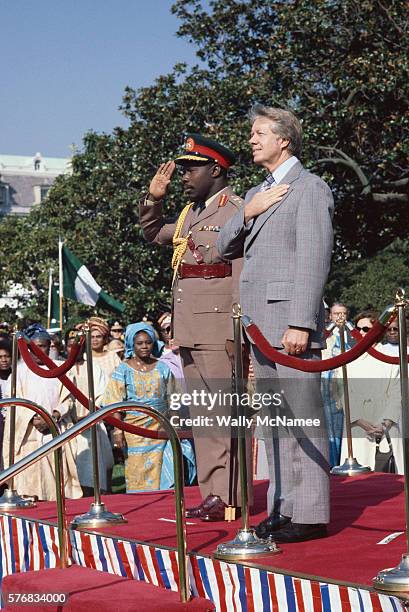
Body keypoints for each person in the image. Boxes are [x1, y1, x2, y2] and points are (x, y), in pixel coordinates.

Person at [218, 104, 334, 542]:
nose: (252, 139)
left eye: (260, 132)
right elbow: (222, 249)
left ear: (284, 139)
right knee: (273, 423)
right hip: (259, 325)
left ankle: (311, 513)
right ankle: (284, 506)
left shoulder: (310, 188)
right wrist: (248, 212)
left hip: (288, 323)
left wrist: (302, 322)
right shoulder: (254, 193)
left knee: (302, 416)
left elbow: (313, 258)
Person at [138, 134, 270, 520]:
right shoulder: (189, 213)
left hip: (220, 327)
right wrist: (153, 199)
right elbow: (152, 233)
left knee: (224, 415)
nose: (183, 176)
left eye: (191, 168)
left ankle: (231, 496)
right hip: (192, 328)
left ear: (216, 170)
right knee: (203, 415)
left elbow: (242, 271)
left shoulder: (238, 209)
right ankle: (215, 494)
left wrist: (238, 326)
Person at [2, 324, 82, 501]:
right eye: (35, 346)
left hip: (55, 430)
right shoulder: (19, 371)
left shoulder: (61, 367)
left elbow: (69, 398)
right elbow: (11, 402)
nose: (40, 350)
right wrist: (33, 419)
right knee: (28, 482)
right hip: (27, 434)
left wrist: (53, 416)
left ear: (50, 346)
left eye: (44, 346)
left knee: (57, 483)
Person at [102, 323, 175, 492]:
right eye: (139, 343)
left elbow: (174, 398)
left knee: (166, 468)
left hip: (161, 429)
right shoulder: (123, 369)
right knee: (138, 473)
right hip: (134, 430)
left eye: (148, 342)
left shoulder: (163, 367)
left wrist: (175, 424)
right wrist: (118, 431)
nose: (144, 347)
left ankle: (165, 505)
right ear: (131, 345)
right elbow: (114, 403)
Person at [339, 312, 403, 472]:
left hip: (386, 424)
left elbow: (397, 394)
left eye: (366, 329)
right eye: (358, 329)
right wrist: (359, 420)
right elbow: (341, 393)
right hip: (357, 424)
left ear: (376, 331)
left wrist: (384, 422)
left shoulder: (392, 358)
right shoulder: (346, 359)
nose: (361, 333)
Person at [58, 329, 114, 496]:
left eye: (78, 345)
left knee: (92, 470)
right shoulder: (59, 368)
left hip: (91, 423)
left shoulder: (93, 367)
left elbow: (103, 394)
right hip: (67, 424)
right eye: (70, 346)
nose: (74, 349)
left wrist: (90, 414)